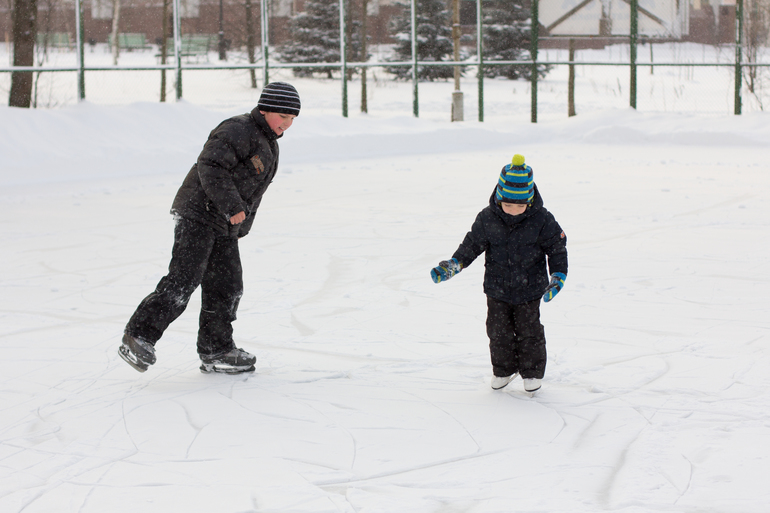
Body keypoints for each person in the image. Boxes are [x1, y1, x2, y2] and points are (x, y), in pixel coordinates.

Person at [119, 82, 301, 374]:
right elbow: (211, 166)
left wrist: (239, 222)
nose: (287, 124)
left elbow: (251, 190)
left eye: (292, 119)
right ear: (265, 109)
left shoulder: (269, 142)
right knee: (184, 280)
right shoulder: (238, 129)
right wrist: (232, 207)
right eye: (283, 117)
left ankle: (216, 350)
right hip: (198, 213)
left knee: (226, 287)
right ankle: (138, 336)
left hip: (223, 223)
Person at [430, 154, 568, 393]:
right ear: (499, 197)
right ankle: (504, 369)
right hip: (497, 288)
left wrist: (557, 276)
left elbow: (557, 249)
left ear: (530, 199)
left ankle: (532, 373)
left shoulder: (542, 220)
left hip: (530, 288)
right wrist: (454, 264)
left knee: (529, 331)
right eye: (508, 205)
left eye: (520, 206)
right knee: (497, 330)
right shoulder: (487, 218)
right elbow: (471, 245)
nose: (514, 211)